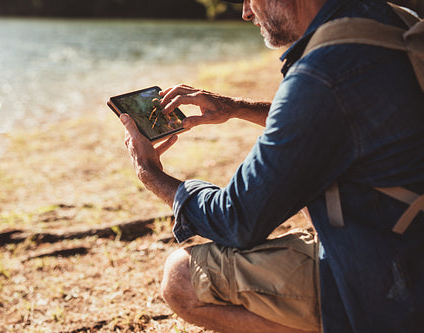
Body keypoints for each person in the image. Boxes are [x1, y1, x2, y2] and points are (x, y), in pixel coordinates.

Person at [119, 0, 424, 331]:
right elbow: (346, 114)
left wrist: (152, 175)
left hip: (390, 279)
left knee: (181, 277)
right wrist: (235, 107)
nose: (246, 12)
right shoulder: (393, 22)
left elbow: (236, 219)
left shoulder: (323, 74)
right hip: (406, 237)